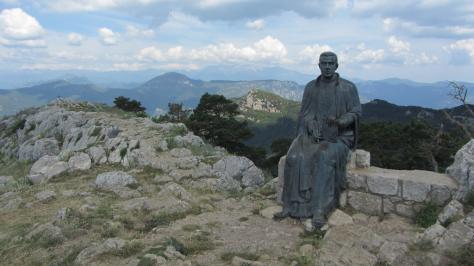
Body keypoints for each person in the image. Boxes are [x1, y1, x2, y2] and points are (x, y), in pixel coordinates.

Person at [273, 51, 361, 228]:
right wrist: (310, 124)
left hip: (338, 137)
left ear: (337, 65)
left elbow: (356, 112)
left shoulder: (348, 88)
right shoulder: (311, 87)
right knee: (294, 157)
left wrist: (342, 121)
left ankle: (320, 208)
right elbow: (304, 113)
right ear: (319, 65)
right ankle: (290, 205)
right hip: (313, 135)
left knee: (323, 157)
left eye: (330, 63)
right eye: (324, 63)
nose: (327, 67)